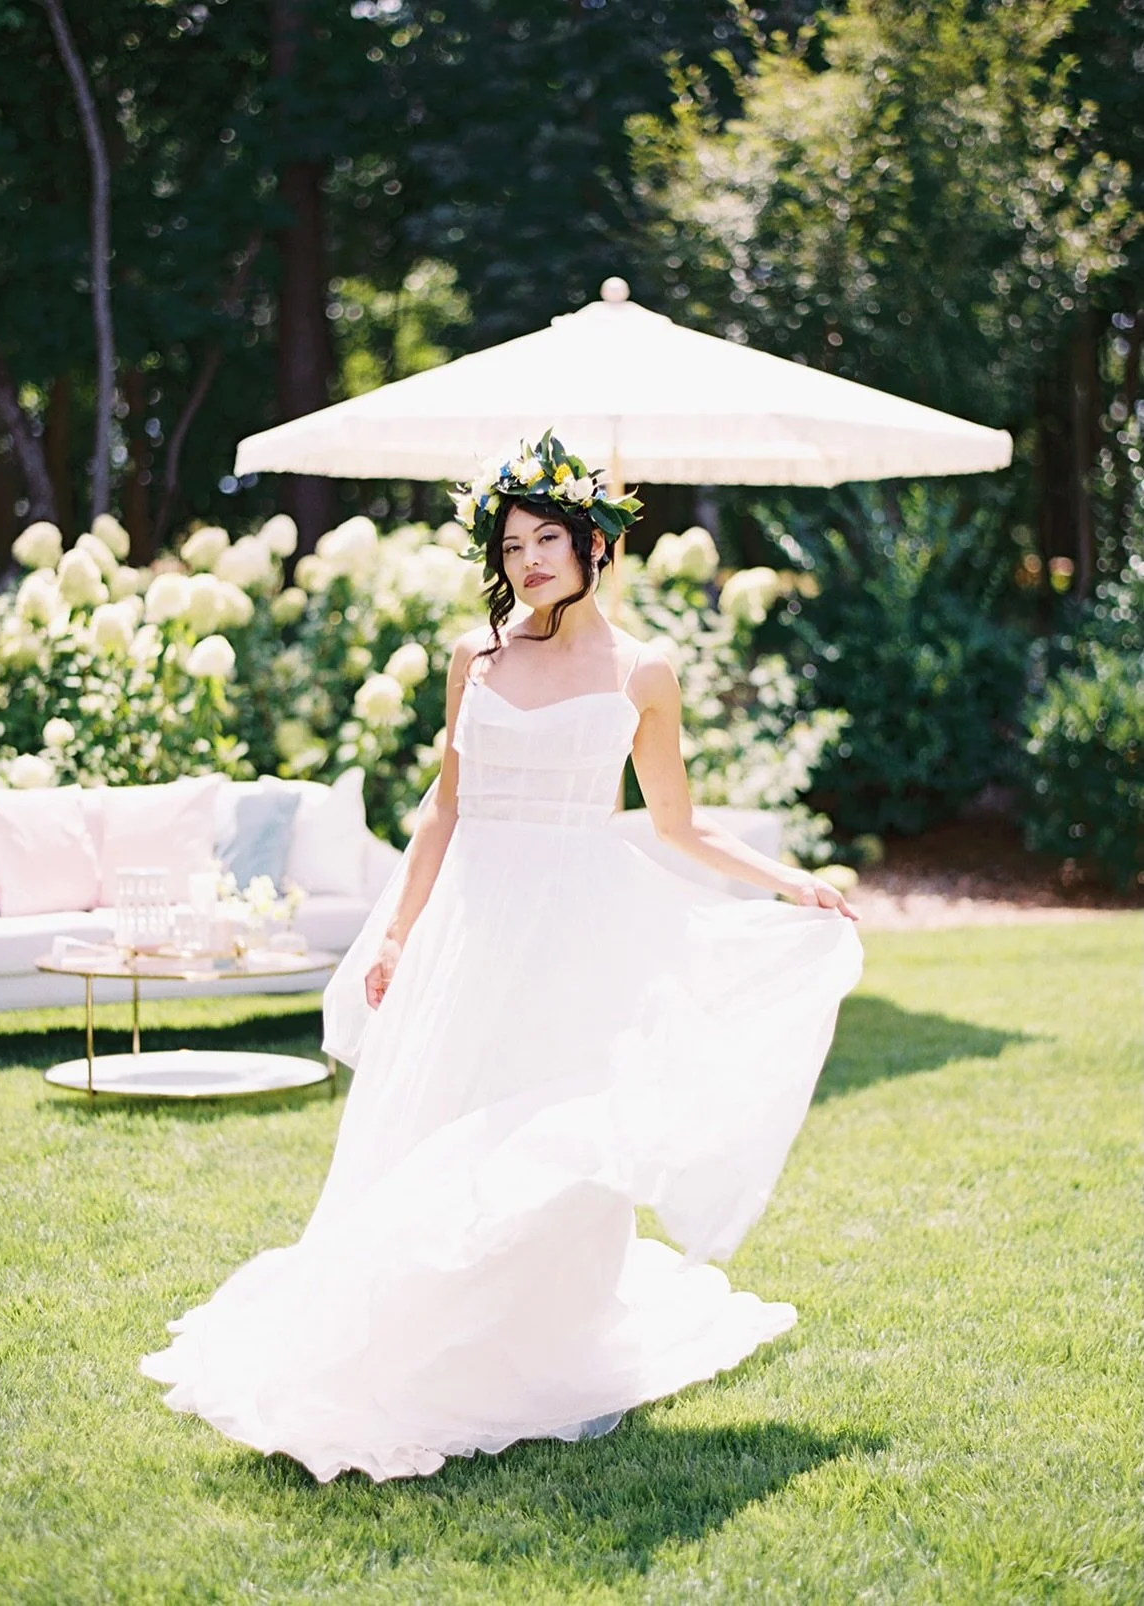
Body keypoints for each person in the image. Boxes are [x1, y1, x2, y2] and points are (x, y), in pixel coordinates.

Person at [140, 431, 864, 1484]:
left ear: (592, 546)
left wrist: (788, 880)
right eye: (512, 543)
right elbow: (445, 808)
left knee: (560, 1132)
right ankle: (420, 1337)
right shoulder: (473, 660)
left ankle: (546, 1341)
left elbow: (675, 825)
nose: (528, 560)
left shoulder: (641, 672)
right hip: (475, 921)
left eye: (548, 539)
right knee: (441, 1123)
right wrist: (394, 932)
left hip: (578, 928)